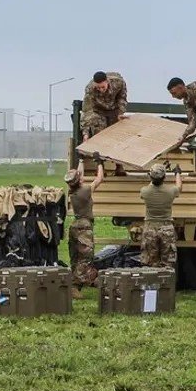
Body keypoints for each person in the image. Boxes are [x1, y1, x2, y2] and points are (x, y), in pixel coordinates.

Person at [65, 157, 103, 298]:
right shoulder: (85, 191)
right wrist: (99, 163)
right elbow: (99, 179)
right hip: (84, 227)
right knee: (85, 258)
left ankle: (74, 283)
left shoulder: (73, 190)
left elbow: (79, 176)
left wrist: (81, 160)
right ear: (79, 181)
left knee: (75, 257)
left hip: (75, 225)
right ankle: (75, 287)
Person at [139, 163, 182, 270]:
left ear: (150, 177)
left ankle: (152, 285)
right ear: (164, 177)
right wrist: (177, 173)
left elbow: (151, 185)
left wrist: (154, 175)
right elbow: (179, 187)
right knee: (168, 263)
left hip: (150, 228)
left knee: (150, 262)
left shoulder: (145, 191)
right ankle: (166, 285)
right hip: (166, 228)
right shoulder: (171, 191)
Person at [82, 70, 128, 137]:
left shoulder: (118, 83)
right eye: (98, 87)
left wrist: (120, 113)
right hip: (99, 110)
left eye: (103, 87)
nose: (101, 90)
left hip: (113, 108)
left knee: (116, 132)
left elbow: (122, 98)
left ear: (107, 81)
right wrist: (85, 133)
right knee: (99, 132)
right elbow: (87, 110)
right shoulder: (90, 89)